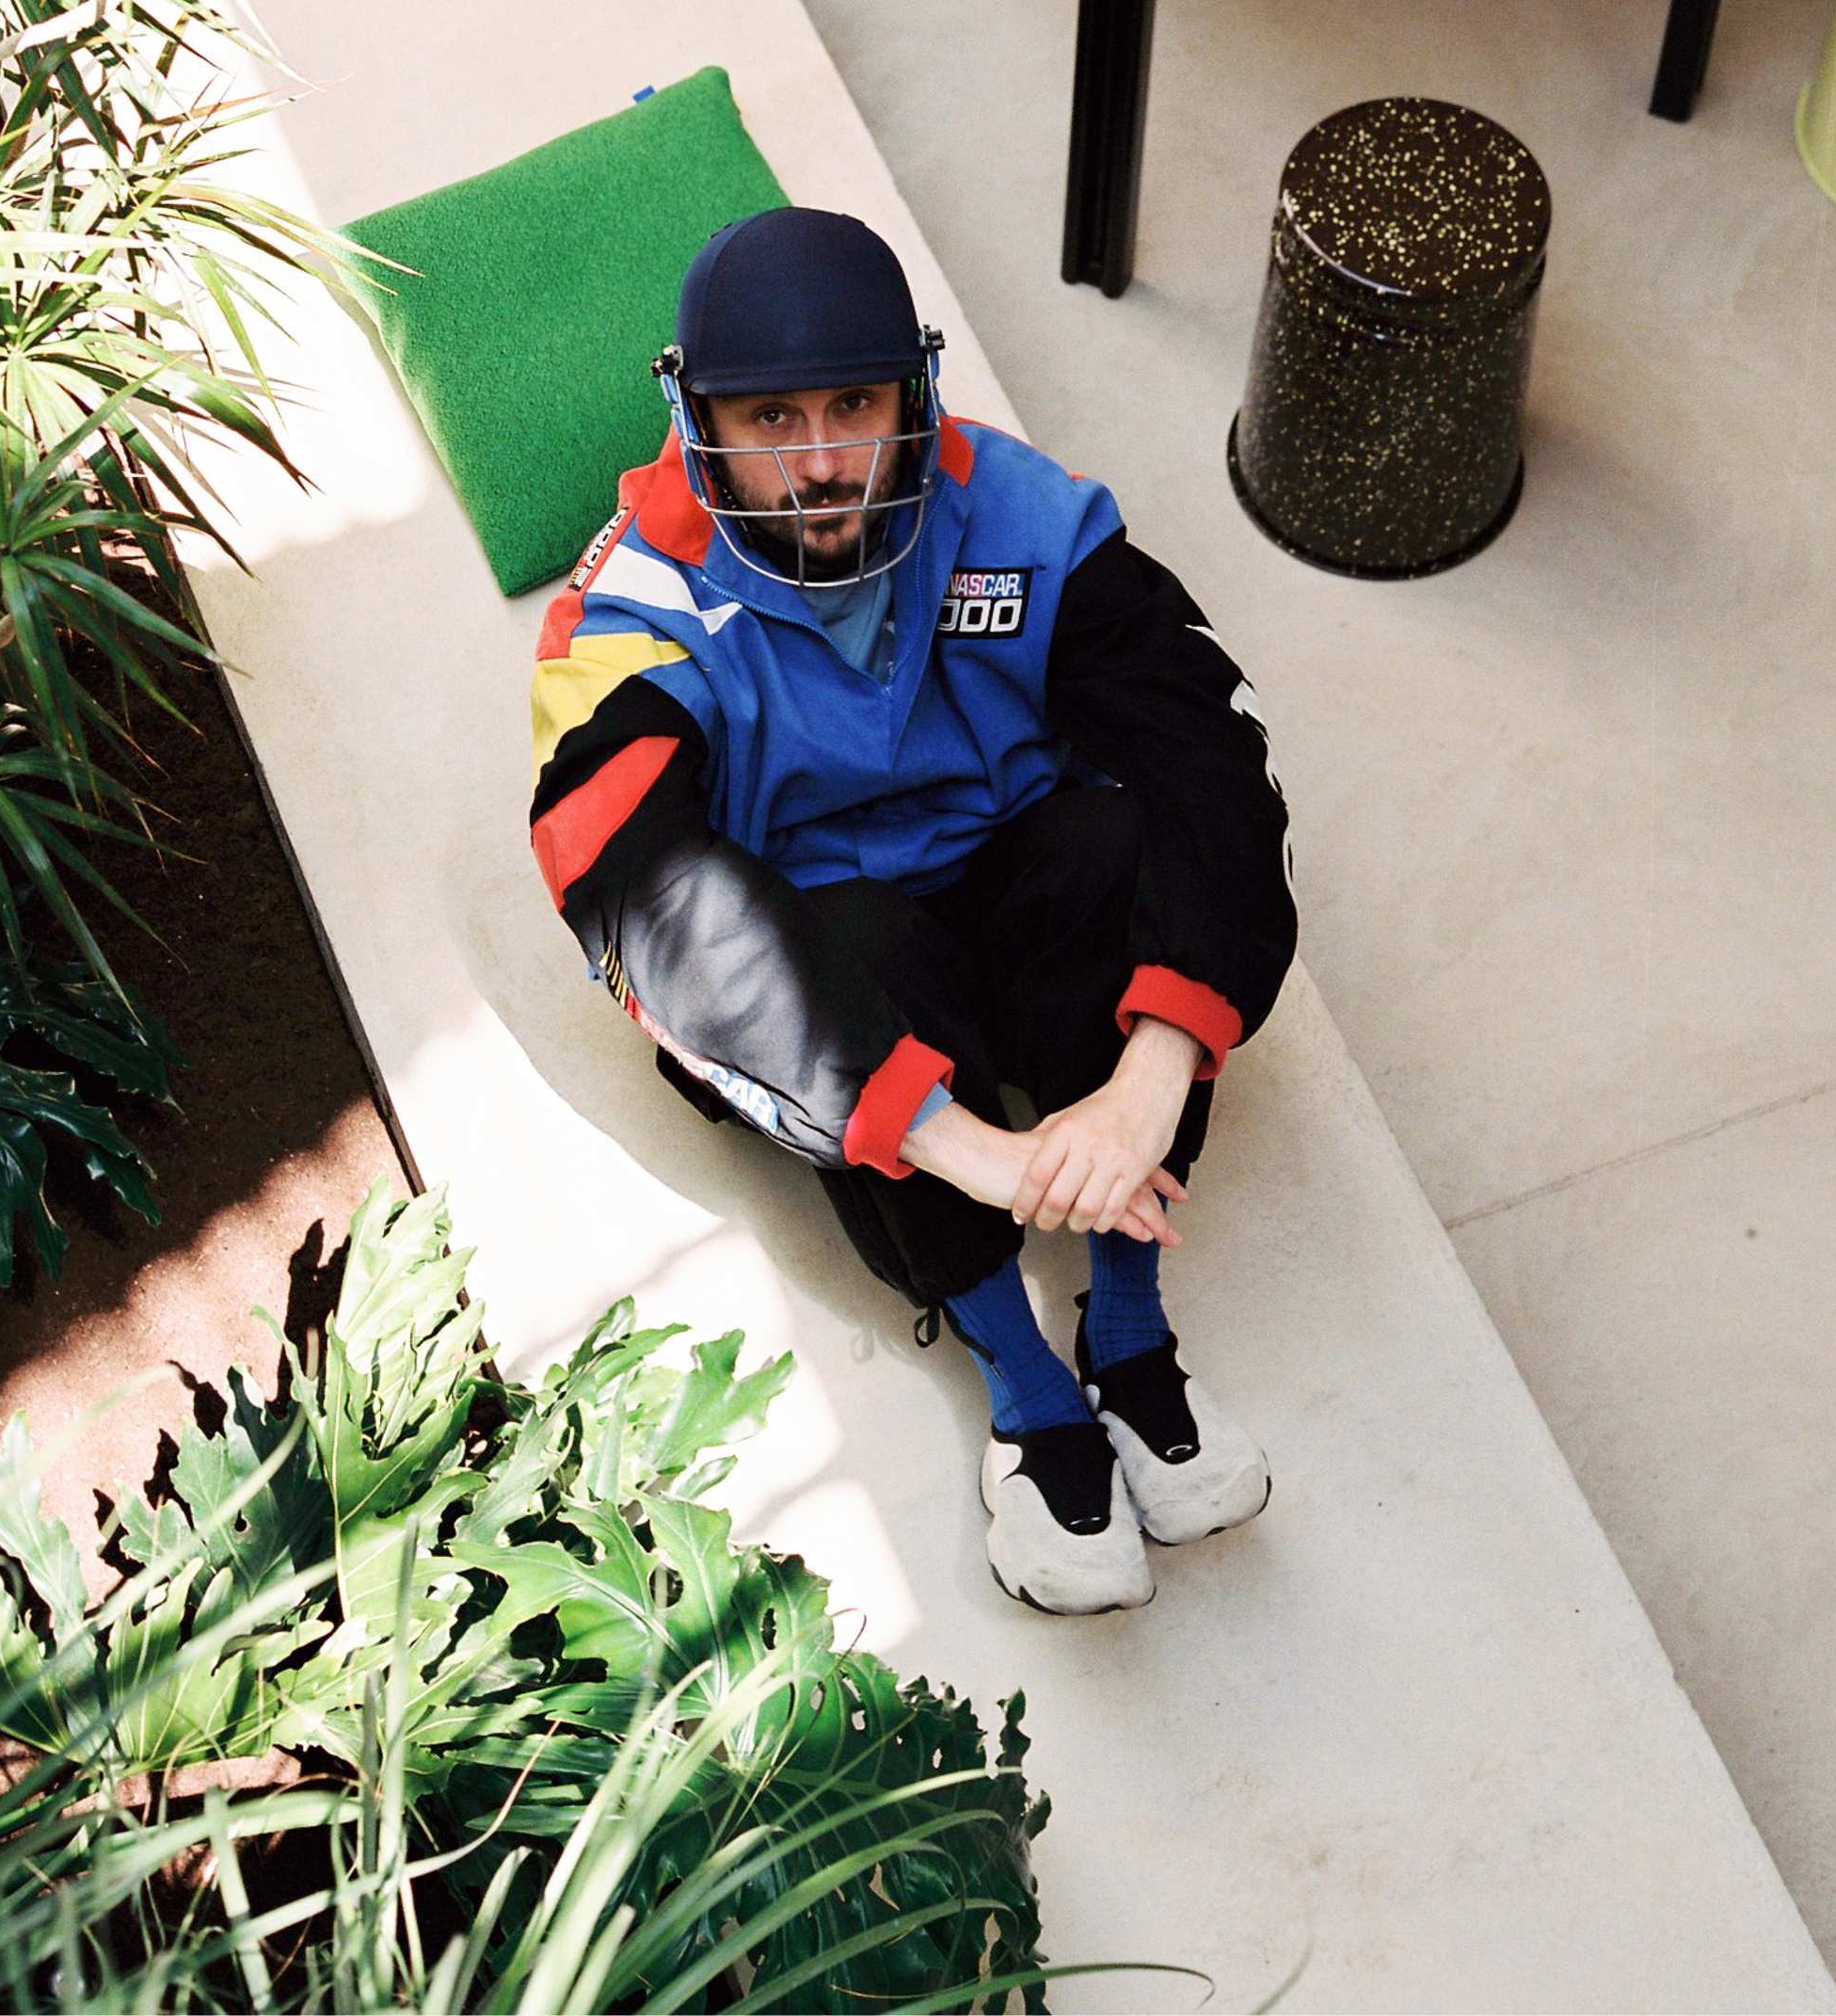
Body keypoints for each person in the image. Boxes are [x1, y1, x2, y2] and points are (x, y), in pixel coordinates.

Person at [526, 207, 1295, 1614]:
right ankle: (1026, 1383)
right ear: (697, 415)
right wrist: (976, 1154)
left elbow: (1210, 750)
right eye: (770, 416)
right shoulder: (631, 614)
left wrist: (1150, 1073)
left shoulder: (1018, 514)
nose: (819, 457)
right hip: (839, 927)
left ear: (911, 392)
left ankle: (1127, 1321)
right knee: (825, 973)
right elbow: (642, 904)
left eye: (851, 405)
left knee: (1118, 834)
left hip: (1010, 871)